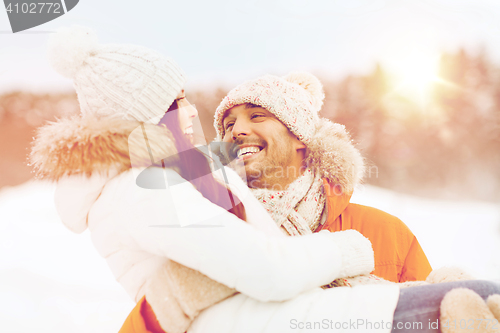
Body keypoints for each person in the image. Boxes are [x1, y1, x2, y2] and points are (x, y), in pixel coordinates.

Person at [31, 26, 399, 333]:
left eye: (259, 117)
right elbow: (269, 271)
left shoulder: (177, 175)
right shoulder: (143, 190)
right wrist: (345, 250)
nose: (192, 111)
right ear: (147, 115)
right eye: (177, 101)